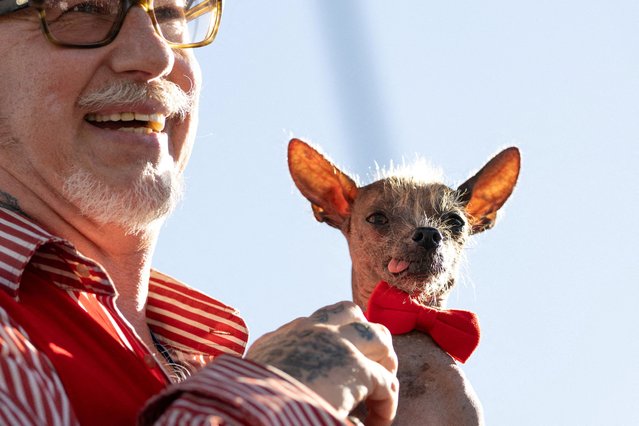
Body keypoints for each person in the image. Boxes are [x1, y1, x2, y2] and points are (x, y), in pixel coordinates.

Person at [0, 0, 399, 424]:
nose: (156, 56)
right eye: (82, 7)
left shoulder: (206, 354)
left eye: (170, 12)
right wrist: (269, 400)